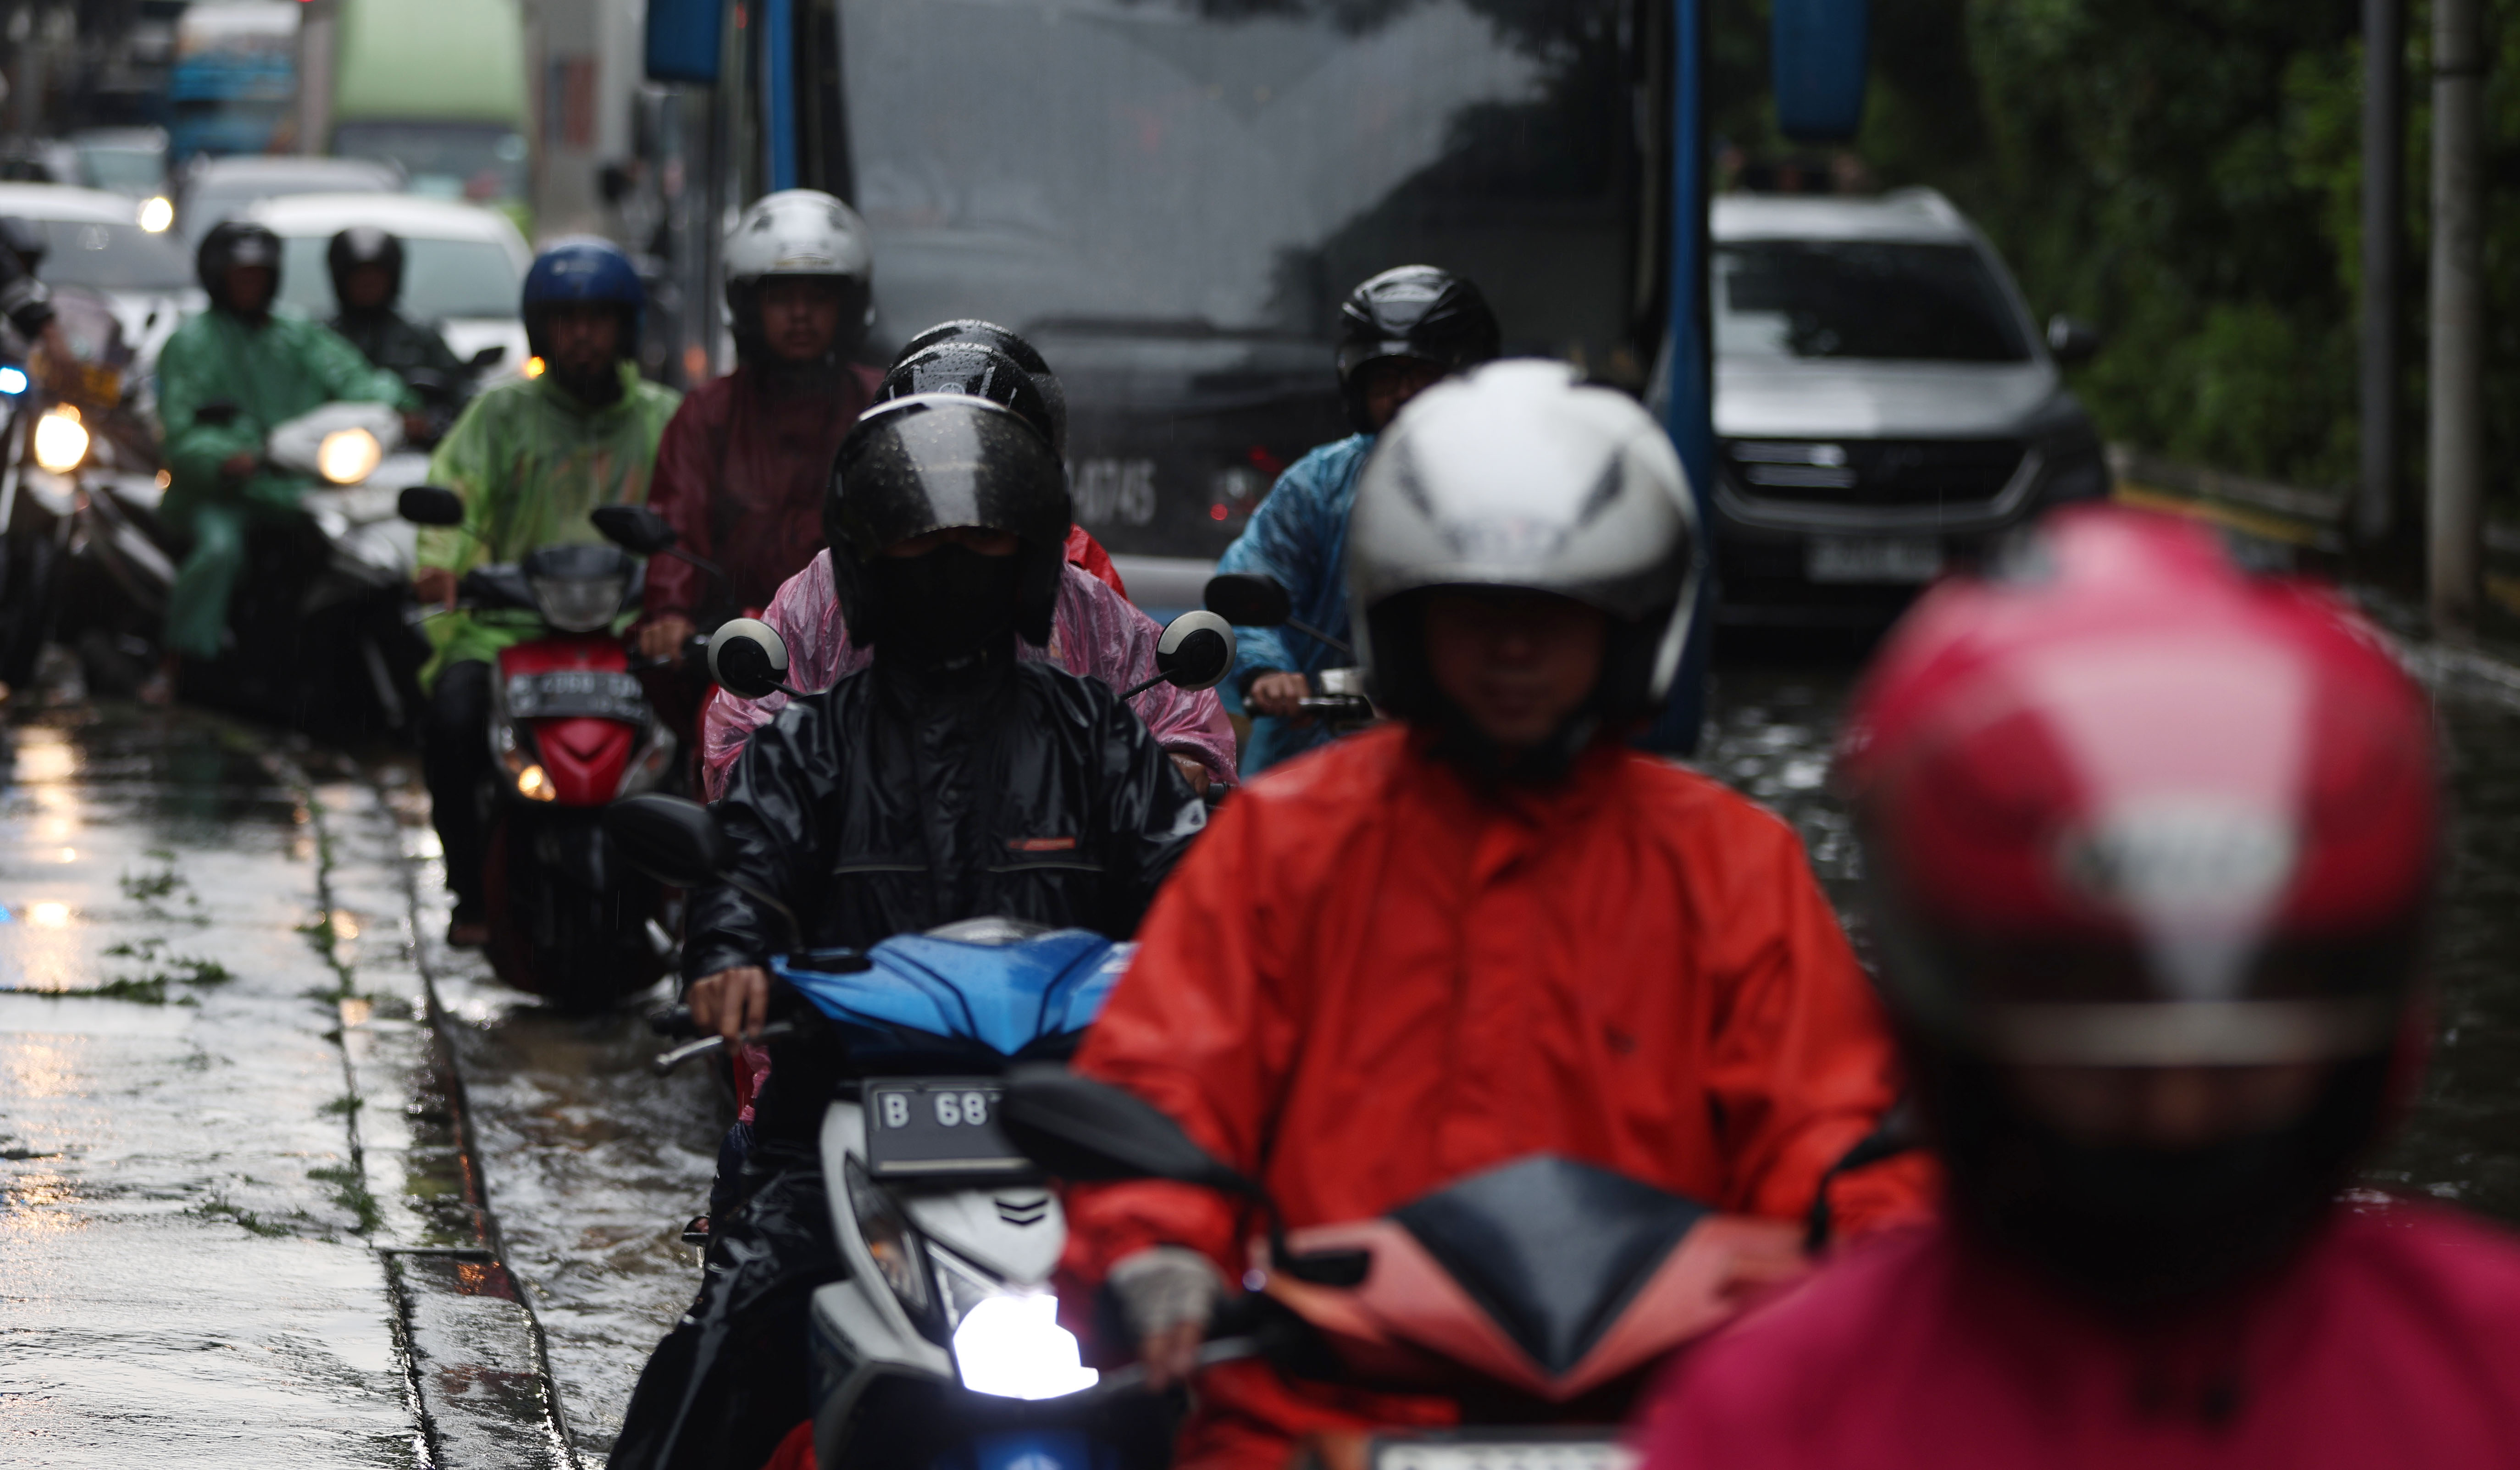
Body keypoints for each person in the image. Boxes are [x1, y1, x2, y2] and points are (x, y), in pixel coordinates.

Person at [1056, 361, 1932, 1470]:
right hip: (1322, 1414)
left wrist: (1879, 1266)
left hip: (1664, 1417)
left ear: (1627, 622)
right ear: (1408, 619)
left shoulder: (1732, 864)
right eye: (1477, 612)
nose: (1513, 648)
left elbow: (1839, 1130)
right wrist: (1157, 1243)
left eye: (1552, 613)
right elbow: (1166, 1083)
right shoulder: (1285, 844)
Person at [1637, 505, 2520, 1469]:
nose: (2174, 1106)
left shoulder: (2491, 1373)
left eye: (2250, 1023)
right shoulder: (1771, 1419)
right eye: (2088, 1012)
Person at [609, 392, 1210, 1470]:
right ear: (870, 560)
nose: (956, 566)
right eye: (923, 542)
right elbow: (746, 861)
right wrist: (729, 954)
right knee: (719, 1360)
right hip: (840, 1117)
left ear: (1028, 557)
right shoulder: (811, 741)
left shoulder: (1100, 733)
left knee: (1236, 1368)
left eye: (984, 540)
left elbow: (1191, 880)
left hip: (1070, 1127)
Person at [697, 335, 1237, 800]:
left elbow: (1175, 715)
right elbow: (743, 740)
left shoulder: (1078, 601)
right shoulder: (823, 590)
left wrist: (1179, 759)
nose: (950, 554)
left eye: (981, 531)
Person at [415, 236, 681, 946]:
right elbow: (455, 497)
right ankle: (470, 891)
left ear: (627, 327)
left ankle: (696, 890)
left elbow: (691, 518)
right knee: (452, 716)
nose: (584, 334)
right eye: (566, 319)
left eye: (598, 317)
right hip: (511, 625)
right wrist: (443, 564)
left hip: (629, 626)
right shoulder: (499, 415)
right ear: (540, 329)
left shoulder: (664, 418)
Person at [1213, 265, 1499, 774]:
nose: (1403, 395)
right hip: (1313, 766)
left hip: (1472, 761)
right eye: (1386, 378)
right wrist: (1268, 672)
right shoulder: (1317, 486)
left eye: (1421, 374)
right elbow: (1252, 585)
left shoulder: (1514, 493)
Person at [157, 221, 417, 673]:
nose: (251, 285)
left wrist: (406, 407)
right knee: (220, 551)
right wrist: (224, 459)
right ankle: (178, 664)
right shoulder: (192, 342)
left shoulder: (296, 333)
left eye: (260, 275)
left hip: (300, 482)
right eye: (242, 275)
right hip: (224, 493)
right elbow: (181, 431)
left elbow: (356, 379)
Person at [637, 191, 882, 664]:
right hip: (737, 651)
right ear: (748, 307)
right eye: (781, 298)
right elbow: (677, 525)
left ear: (848, 306)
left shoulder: (883, 406)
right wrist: (670, 612)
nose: (800, 314)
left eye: (818, 297)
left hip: (863, 653)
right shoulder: (708, 413)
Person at [325, 226, 466, 397]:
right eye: (360, 278)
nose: (368, 287)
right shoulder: (322, 339)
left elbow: (459, 389)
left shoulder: (421, 338)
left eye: (375, 278)